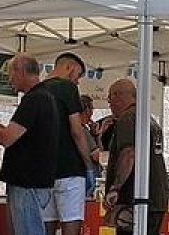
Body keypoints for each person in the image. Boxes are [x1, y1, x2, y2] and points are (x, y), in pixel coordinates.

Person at [0, 54, 59, 235]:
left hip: (27, 182)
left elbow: (7, 138)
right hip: (34, 181)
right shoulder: (44, 97)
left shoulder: (34, 99)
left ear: (21, 71)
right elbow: (16, 135)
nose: (10, 79)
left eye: (11, 74)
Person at [39, 52, 96, 235]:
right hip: (70, 170)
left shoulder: (36, 91)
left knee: (46, 224)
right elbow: (76, 131)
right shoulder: (67, 88)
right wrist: (88, 165)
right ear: (69, 67)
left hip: (44, 172)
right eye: (78, 75)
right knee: (70, 224)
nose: (77, 82)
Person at [103, 78, 169, 235]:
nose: (109, 103)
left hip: (137, 198)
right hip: (155, 198)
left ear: (118, 96)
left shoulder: (128, 118)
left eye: (110, 98)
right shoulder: (149, 119)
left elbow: (129, 154)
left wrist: (115, 188)